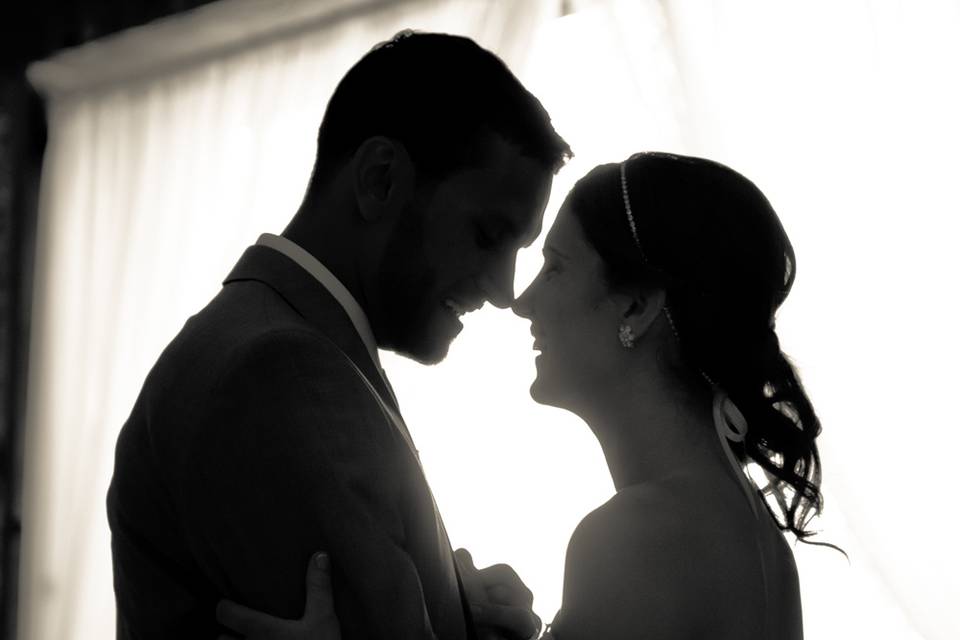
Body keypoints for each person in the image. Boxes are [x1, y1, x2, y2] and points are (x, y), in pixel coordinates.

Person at [219, 152, 827, 639]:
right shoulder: (756, 539)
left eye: (557, 267)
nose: (524, 299)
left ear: (636, 306)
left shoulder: (634, 537)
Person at [106, 30, 571, 640]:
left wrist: (460, 615)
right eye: (488, 234)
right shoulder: (278, 371)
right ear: (380, 179)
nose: (504, 290)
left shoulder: (286, 346)